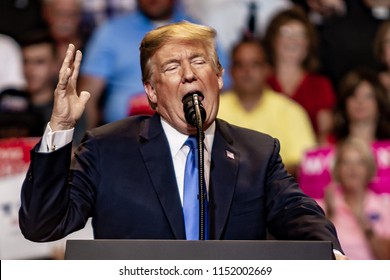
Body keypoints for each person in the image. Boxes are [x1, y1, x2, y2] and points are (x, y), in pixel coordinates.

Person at [18, 21, 346, 259]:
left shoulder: (257, 152)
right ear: (151, 91)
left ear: (218, 78)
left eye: (199, 62)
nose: (189, 74)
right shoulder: (107, 149)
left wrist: (330, 253)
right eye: (173, 66)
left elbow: (297, 213)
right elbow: (42, 225)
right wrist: (61, 126)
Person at [79, 0, 230, 129]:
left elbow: (225, 89)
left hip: (189, 129)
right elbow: (87, 96)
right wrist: (84, 142)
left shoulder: (198, 33)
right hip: (122, 136)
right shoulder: (111, 31)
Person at [218, 38, 316, 177]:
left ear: (267, 69)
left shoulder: (290, 111)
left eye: (255, 65)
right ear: (230, 71)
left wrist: (259, 180)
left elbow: (303, 163)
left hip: (276, 194)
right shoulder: (214, 109)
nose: (247, 71)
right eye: (240, 65)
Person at [264, 5, 336, 145]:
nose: (294, 40)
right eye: (286, 33)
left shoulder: (320, 85)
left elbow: (325, 135)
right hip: (263, 160)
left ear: (308, 43)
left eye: (301, 34)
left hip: (306, 159)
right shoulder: (261, 82)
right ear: (273, 39)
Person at [316, 137, 390, 259]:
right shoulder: (324, 206)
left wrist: (365, 224)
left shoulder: (384, 206)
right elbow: (312, 253)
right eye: (346, 162)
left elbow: (386, 258)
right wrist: (328, 216)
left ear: (369, 168)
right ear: (338, 169)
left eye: (360, 163)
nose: (353, 168)